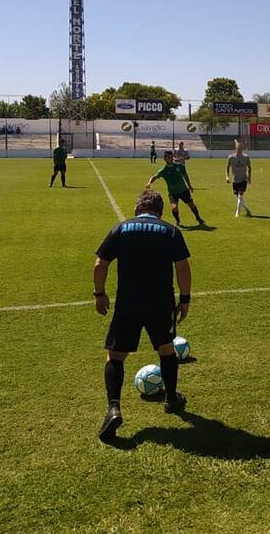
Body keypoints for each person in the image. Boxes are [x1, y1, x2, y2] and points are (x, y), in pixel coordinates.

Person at [94, 190, 192, 443]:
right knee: (166, 348)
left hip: (129, 301)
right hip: (160, 302)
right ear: (160, 210)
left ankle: (114, 408)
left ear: (138, 208)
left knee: (115, 355)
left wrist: (100, 294)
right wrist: (184, 300)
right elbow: (182, 266)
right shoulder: (170, 231)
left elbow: (100, 264)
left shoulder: (122, 228)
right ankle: (171, 399)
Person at [147, 151, 205, 226]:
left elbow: (185, 176)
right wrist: (149, 183)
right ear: (165, 159)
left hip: (183, 190)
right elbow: (154, 177)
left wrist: (189, 186)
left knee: (191, 205)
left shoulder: (179, 166)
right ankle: (177, 221)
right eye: (168, 157)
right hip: (173, 193)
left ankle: (198, 218)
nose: (170, 159)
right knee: (174, 207)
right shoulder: (163, 170)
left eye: (171, 157)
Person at [225, 139, 252, 217]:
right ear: (235, 149)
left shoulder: (246, 157)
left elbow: (250, 167)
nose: (239, 150)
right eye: (238, 149)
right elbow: (227, 167)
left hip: (243, 180)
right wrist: (227, 176)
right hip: (235, 181)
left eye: (240, 149)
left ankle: (237, 212)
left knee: (240, 196)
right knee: (239, 198)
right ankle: (246, 208)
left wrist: (249, 177)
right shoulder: (231, 157)